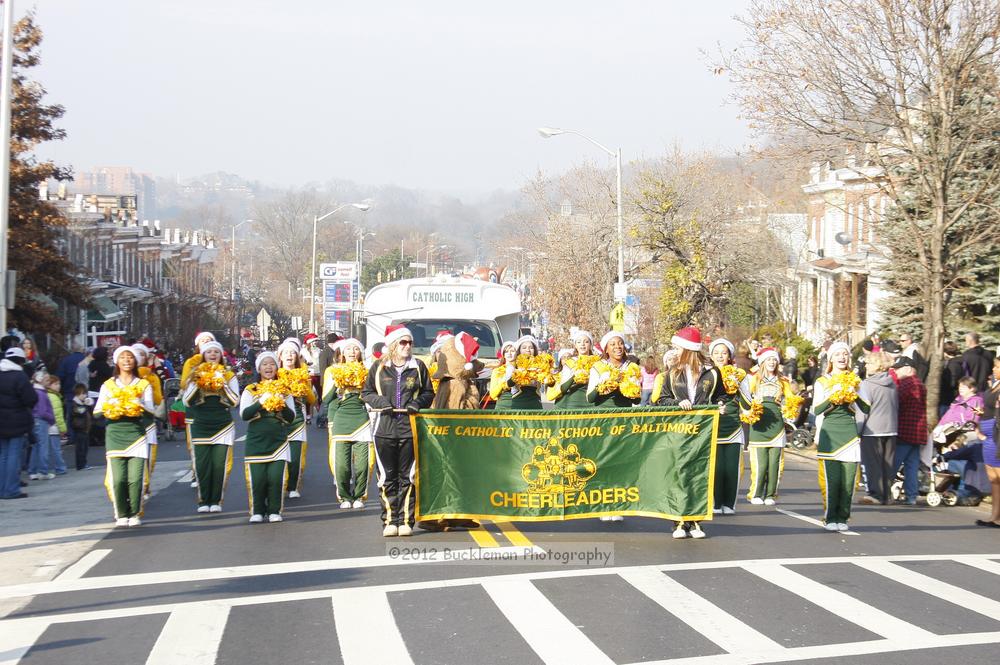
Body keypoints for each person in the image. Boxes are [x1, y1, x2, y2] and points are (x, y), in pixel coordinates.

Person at [361, 325, 434, 537]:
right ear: (393, 345)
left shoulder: (418, 366)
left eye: (410, 342)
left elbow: (429, 392)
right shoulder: (379, 367)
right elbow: (366, 392)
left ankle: (405, 521)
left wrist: (417, 403)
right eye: (403, 342)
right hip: (383, 429)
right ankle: (390, 521)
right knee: (386, 477)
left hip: (409, 429)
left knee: (408, 477)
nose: (407, 346)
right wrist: (380, 401)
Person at [654, 327, 722, 538]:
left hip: (702, 432)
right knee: (678, 473)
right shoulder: (672, 373)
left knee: (698, 474)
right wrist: (677, 402)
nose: (674, 351)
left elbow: (723, 397)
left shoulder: (712, 372)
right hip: (679, 430)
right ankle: (678, 522)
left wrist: (721, 405)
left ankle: (695, 521)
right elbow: (660, 400)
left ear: (688, 349)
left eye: (677, 347)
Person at [812, 341, 870, 530]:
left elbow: (867, 407)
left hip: (849, 434)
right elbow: (817, 409)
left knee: (848, 481)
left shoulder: (856, 380)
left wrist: (855, 394)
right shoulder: (822, 381)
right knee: (832, 480)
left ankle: (843, 518)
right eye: (837, 354)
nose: (842, 357)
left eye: (845, 354)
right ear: (831, 359)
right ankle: (830, 518)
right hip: (830, 433)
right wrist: (832, 396)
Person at [94, 346, 155, 527]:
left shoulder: (143, 384)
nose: (127, 360)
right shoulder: (108, 385)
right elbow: (97, 412)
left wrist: (140, 405)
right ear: (116, 361)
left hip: (136, 435)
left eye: (130, 357)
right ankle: (121, 513)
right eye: (123, 357)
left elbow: (151, 412)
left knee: (136, 479)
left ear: (135, 361)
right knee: (118, 479)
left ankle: (135, 513)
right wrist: (111, 405)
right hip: (115, 436)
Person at [182, 340, 239, 513]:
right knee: (202, 466)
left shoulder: (229, 375)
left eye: (216, 352)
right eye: (209, 352)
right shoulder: (195, 374)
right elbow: (187, 401)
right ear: (203, 355)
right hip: (201, 426)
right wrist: (199, 382)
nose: (213, 355)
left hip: (223, 426)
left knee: (219, 466)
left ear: (221, 355)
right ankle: (203, 500)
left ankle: (216, 500)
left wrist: (222, 383)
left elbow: (235, 401)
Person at [739, 347, 800, 507]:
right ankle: (756, 493)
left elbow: (790, 400)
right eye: (769, 360)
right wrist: (749, 411)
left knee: (775, 463)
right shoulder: (753, 379)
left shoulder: (783, 381)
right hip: (759, 424)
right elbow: (744, 399)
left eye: (774, 360)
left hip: (777, 424)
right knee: (760, 462)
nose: (772, 362)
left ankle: (771, 493)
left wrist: (794, 403)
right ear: (762, 362)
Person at [240, 351, 295, 524]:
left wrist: (282, 403)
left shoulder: (284, 390)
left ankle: (274, 510)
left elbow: (291, 417)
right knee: (258, 480)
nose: (268, 367)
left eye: (272, 364)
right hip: (255, 441)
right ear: (259, 368)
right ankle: (257, 510)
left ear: (276, 367)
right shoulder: (250, 390)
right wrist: (261, 402)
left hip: (278, 441)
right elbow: (245, 415)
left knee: (276, 479)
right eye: (264, 364)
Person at [322, 338, 372, 510]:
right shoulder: (333, 370)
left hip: (362, 420)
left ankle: (359, 496)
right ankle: (344, 496)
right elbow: (326, 400)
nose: (352, 352)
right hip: (341, 420)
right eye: (348, 349)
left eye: (355, 349)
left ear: (360, 353)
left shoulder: (367, 370)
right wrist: (337, 385)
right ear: (342, 352)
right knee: (342, 465)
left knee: (363, 464)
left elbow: (373, 395)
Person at [706, 338, 745, 515]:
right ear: (711, 356)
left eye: (724, 353)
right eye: (716, 353)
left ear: (729, 356)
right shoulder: (706, 374)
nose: (720, 356)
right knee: (716, 467)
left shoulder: (739, 374)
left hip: (733, 426)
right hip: (712, 424)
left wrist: (740, 389)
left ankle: (729, 503)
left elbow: (748, 401)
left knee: (731, 467)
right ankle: (714, 502)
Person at [277, 338, 316, 499]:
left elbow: (312, 400)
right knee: (278, 455)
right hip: (277, 420)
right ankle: (279, 484)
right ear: (279, 356)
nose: (289, 355)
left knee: (295, 456)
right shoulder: (274, 374)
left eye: (292, 353)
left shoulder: (302, 374)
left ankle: (293, 486)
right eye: (286, 352)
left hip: (297, 420)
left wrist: (303, 386)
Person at [859, 352, 898, 505]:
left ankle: (875, 493)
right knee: (887, 464)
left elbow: (863, 409)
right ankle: (887, 495)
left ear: (877, 365)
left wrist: (858, 429)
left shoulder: (867, 384)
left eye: (869, 363)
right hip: (891, 427)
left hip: (872, 429)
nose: (866, 366)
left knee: (872, 463)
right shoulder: (892, 384)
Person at [0, 348, 37, 499]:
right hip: (16, 420)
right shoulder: (19, 376)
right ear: (20, 361)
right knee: (14, 455)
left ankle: (2, 488)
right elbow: (30, 399)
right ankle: (11, 489)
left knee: (3, 455)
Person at [891, 356, 927, 506]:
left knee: (893, 463)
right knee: (911, 465)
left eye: (899, 368)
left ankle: (882, 492)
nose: (896, 371)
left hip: (905, 430)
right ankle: (911, 496)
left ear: (908, 368)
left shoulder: (906, 384)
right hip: (918, 432)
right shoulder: (920, 384)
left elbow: (896, 403)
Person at [131, 344, 162, 499]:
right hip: (128, 424)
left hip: (147, 422)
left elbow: (157, 399)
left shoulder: (152, 376)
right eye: (133, 355)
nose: (137, 358)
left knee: (149, 457)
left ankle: (145, 484)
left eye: (141, 354)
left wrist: (150, 380)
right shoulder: (121, 377)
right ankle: (133, 486)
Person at [587, 331, 642, 409]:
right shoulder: (598, 366)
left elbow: (637, 401)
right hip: (603, 415)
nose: (618, 347)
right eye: (613, 344)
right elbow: (590, 399)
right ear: (606, 349)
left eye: (620, 343)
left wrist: (632, 391)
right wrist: (602, 385)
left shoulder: (632, 367)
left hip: (625, 415)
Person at [498, 336, 553, 410]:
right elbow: (509, 384)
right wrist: (519, 374)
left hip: (536, 405)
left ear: (535, 350)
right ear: (519, 350)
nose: (528, 350)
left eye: (531, 347)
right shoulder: (513, 366)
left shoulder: (541, 365)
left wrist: (549, 379)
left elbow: (550, 384)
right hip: (518, 407)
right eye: (524, 348)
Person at [548, 331, 599, 409]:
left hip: (593, 404)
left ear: (590, 344)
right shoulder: (570, 362)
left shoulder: (598, 362)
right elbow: (563, 388)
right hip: (573, 403)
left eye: (586, 342)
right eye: (579, 342)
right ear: (575, 345)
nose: (582, 344)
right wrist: (574, 375)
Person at [28, 370, 57, 481]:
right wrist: (51, 419)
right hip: (42, 421)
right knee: (43, 446)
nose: (48, 382)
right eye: (46, 380)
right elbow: (42, 412)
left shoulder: (35, 391)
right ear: (40, 380)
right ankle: (43, 471)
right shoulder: (41, 393)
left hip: (35, 421)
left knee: (36, 446)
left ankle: (33, 470)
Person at [44, 374, 68, 476]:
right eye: (55, 384)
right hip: (54, 427)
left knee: (48, 449)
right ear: (49, 385)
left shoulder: (47, 395)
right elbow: (57, 415)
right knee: (56, 449)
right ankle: (60, 467)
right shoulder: (54, 397)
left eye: (59, 384)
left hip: (48, 427)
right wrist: (63, 429)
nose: (58, 386)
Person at [69, 383, 94, 471]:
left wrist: (89, 405)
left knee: (85, 447)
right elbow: (78, 411)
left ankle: (84, 463)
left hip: (85, 428)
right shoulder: (74, 403)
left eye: (85, 393)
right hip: (79, 428)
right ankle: (80, 465)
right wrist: (86, 406)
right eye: (82, 394)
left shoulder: (82, 403)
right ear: (77, 394)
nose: (84, 396)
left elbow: (90, 413)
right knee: (80, 448)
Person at [489, 341, 518, 410]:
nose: (509, 354)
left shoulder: (521, 370)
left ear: (517, 353)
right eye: (507, 352)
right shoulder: (497, 371)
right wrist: (503, 381)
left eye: (512, 351)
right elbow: (493, 394)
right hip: (502, 407)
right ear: (503, 355)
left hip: (519, 407)